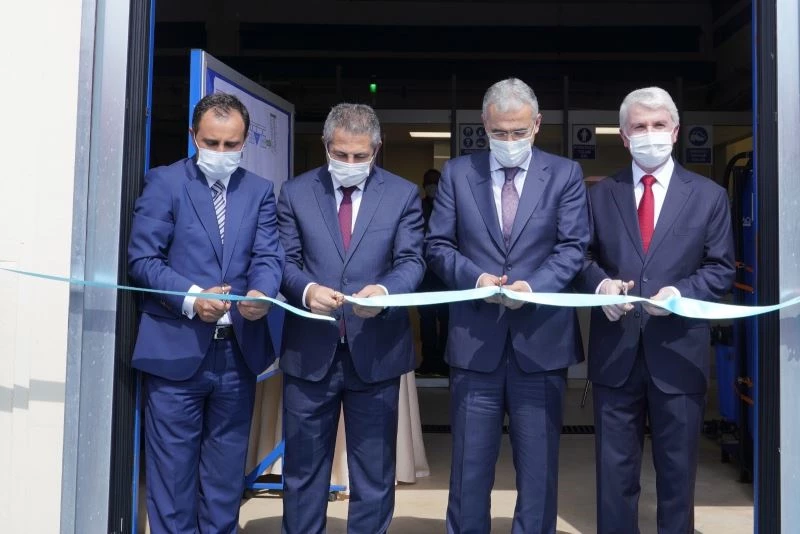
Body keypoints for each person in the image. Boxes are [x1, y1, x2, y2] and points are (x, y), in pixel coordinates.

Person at [425, 78, 589, 534]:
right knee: (468, 470)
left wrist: (532, 287)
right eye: (500, 132)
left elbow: (573, 247)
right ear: (484, 125)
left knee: (538, 472)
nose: (510, 140)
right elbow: (437, 245)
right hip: (475, 344)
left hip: (541, 344)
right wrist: (475, 279)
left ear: (537, 125)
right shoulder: (458, 174)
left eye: (519, 131)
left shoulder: (564, 174)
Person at [574, 87, 735, 533]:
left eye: (659, 125)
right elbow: (580, 258)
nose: (650, 134)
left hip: (679, 354)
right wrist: (602, 286)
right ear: (624, 137)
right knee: (614, 475)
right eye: (640, 126)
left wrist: (680, 293)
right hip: (615, 355)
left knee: (678, 475)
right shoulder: (599, 195)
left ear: (676, 131)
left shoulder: (708, 196)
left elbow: (721, 269)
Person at [128, 92, 284, 532]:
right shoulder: (165, 183)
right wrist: (193, 297)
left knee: (224, 482)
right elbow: (143, 259)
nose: (220, 152)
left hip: (237, 355)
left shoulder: (258, 191)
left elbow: (268, 256)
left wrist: (261, 293)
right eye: (211, 142)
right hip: (175, 353)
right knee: (172, 481)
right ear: (193, 135)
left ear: (244, 141)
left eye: (231, 144)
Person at [276, 103, 425, 534]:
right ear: (326, 145)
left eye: (361, 155)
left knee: (374, 475)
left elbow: (412, 261)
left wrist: (385, 292)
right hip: (310, 351)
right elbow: (282, 260)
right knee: (303, 473)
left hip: (376, 351)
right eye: (340, 154)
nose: (350, 162)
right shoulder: (296, 192)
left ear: (377, 148)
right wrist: (307, 290)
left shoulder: (402, 194)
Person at [417, 168, 449, 376]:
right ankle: (429, 363)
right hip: (425, 275)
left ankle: (445, 363)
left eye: (436, 182)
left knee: (447, 320)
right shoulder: (418, 207)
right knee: (426, 320)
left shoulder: (448, 207)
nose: (432, 186)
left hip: (446, 276)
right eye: (429, 182)